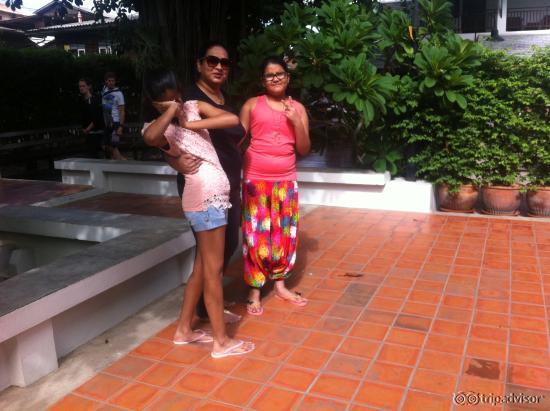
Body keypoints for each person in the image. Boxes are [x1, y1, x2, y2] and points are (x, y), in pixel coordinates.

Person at [142, 69, 254, 358]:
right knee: (214, 272)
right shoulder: (160, 128)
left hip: (213, 200)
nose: (176, 102)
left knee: (203, 269)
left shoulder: (192, 108)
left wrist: (192, 122)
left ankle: (183, 330)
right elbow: (151, 138)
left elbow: (231, 119)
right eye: (167, 101)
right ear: (155, 104)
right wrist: (170, 113)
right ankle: (221, 342)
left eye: (177, 96)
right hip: (206, 202)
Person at [167, 41, 244, 323]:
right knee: (210, 254)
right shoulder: (189, 97)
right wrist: (175, 162)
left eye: (225, 63)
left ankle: (207, 305)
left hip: (228, 183)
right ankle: (204, 309)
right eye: (212, 61)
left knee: (229, 243)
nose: (219, 67)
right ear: (199, 64)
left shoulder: (224, 97)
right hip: (204, 186)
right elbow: (166, 136)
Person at [239, 56, 311, 315]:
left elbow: (304, 148)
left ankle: (280, 285)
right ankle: (254, 290)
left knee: (283, 233)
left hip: (286, 180)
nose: (275, 78)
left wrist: (296, 121)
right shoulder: (251, 105)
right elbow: (237, 140)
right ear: (263, 80)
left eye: (280, 73)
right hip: (256, 180)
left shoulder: (298, 108)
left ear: (288, 77)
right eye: (270, 75)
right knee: (255, 235)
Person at [101, 72, 127, 160]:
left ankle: (123, 162)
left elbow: (122, 111)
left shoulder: (119, 94)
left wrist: (120, 126)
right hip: (107, 123)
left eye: (113, 81)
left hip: (115, 123)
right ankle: (116, 161)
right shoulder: (104, 90)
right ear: (106, 81)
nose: (111, 83)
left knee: (113, 146)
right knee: (104, 145)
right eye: (109, 81)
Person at [78, 78, 104, 158]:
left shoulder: (95, 100)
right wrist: (84, 130)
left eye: (83, 86)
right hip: (88, 135)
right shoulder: (82, 101)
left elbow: (97, 117)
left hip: (96, 134)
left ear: (89, 86)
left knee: (96, 158)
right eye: (80, 86)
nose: (81, 88)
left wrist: (87, 129)